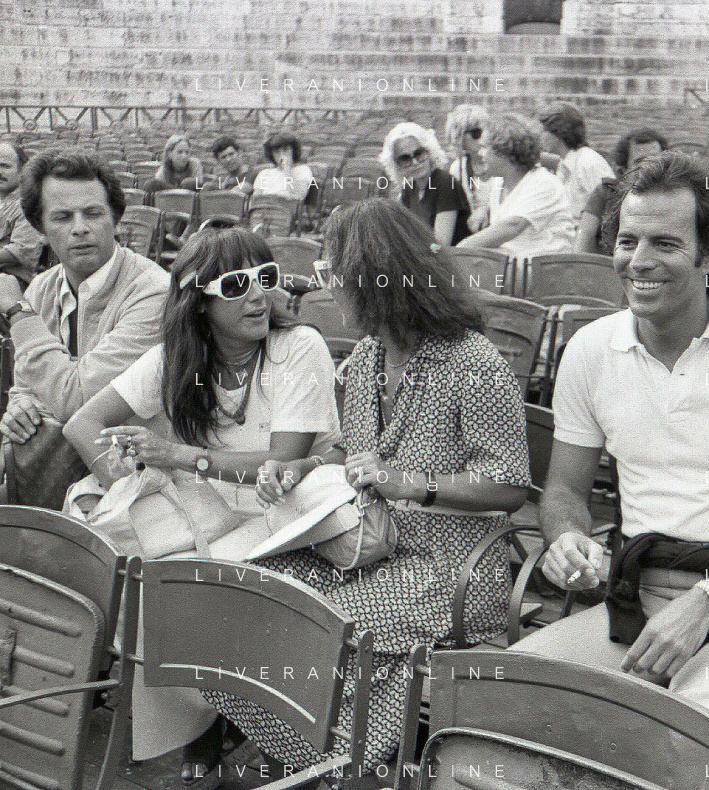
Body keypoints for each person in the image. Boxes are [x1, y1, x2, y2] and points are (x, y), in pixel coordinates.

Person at [510, 152, 709, 749]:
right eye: (627, 240)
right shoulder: (589, 351)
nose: (639, 260)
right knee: (510, 704)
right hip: (637, 594)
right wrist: (566, 538)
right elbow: (563, 493)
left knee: (688, 744)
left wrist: (707, 601)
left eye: (664, 243)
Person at [213, 198, 531, 775]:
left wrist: (410, 483)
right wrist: (305, 467)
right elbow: (353, 449)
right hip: (365, 543)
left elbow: (509, 485)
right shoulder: (366, 357)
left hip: (451, 565)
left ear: (376, 279)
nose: (325, 287)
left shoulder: (473, 361)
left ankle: (333, 760)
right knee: (249, 595)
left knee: (319, 623)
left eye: (334, 273)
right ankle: (307, 751)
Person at [63, 225, 341, 786]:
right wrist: (129, 479)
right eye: (236, 285)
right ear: (199, 301)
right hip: (210, 507)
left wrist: (177, 456)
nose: (258, 295)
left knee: (186, 589)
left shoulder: (297, 346)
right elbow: (83, 423)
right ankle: (199, 723)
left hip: (289, 510)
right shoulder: (177, 356)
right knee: (131, 566)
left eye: (266, 277)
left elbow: (282, 463)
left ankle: (212, 730)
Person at [0, 149, 169, 469]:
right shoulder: (41, 287)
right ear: (40, 230)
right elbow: (25, 386)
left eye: (93, 214)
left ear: (115, 220)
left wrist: (19, 312)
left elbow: (77, 401)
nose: (80, 228)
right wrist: (19, 408)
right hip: (58, 458)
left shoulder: (154, 291)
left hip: (132, 466)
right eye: (62, 217)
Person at [458, 113, 574, 257]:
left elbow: (512, 226)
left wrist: (458, 252)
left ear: (503, 151)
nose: (480, 152)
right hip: (512, 265)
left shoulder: (544, 183)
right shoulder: (499, 183)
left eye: (485, 147)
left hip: (547, 268)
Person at [576, 127, 668, 255]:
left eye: (656, 160)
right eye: (640, 162)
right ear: (624, 169)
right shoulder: (605, 194)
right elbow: (582, 243)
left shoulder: (672, 198)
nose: (650, 168)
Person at [378, 121, 472, 246]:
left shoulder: (445, 183)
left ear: (429, 151)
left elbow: (440, 245)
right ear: (396, 164)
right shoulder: (409, 188)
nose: (415, 162)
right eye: (405, 158)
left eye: (419, 153)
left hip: (451, 256)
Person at [538, 102, 616, 231]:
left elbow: (610, 209)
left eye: (543, 131)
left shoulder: (588, 162)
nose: (540, 137)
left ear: (558, 133)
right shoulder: (565, 165)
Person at [445, 103, 496, 229]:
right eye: (476, 133)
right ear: (459, 137)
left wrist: (486, 209)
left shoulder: (500, 160)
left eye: (488, 131)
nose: (484, 137)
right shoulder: (458, 168)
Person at [0, 140, 44, 285]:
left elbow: (21, 251)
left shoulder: (27, 204)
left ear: (22, 170)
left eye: (5, 166)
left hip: (10, 282)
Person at [252, 131, 316, 203]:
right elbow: (256, 200)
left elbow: (298, 198)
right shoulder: (264, 173)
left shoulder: (302, 170)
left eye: (285, 150)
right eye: (277, 151)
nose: (281, 154)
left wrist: (287, 170)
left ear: (293, 151)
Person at [143, 134, 205, 199]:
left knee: (188, 183)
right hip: (169, 199)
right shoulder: (162, 170)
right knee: (151, 184)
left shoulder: (195, 164)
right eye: (179, 152)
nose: (184, 156)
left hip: (190, 200)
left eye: (187, 152)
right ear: (169, 154)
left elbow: (199, 188)